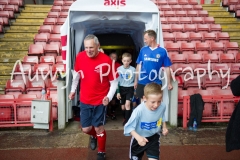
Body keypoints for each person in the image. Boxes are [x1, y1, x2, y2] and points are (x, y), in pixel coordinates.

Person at [68, 34, 118, 160]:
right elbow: (76, 76)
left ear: (98, 45)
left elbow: (114, 82)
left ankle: (101, 151)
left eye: (91, 47)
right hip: (85, 99)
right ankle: (94, 135)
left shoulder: (107, 61)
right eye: (86, 47)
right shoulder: (80, 57)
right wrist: (73, 90)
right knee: (85, 129)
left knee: (99, 127)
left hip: (100, 101)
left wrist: (108, 96)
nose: (88, 50)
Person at [124, 82, 168, 160]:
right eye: (153, 102)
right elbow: (128, 127)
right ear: (145, 98)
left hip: (153, 138)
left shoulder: (162, 106)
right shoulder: (138, 111)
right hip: (138, 138)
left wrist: (164, 127)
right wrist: (138, 138)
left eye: (159, 101)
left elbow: (162, 115)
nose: (156, 105)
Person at [134, 29, 173, 101]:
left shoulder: (162, 51)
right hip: (143, 81)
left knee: (156, 102)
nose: (144, 41)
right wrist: (136, 80)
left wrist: (169, 83)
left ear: (152, 38)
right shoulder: (143, 50)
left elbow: (167, 67)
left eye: (146, 39)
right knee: (143, 102)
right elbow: (138, 65)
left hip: (156, 82)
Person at [116, 52, 135, 125]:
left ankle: (127, 121)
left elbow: (135, 80)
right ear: (122, 60)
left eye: (128, 61)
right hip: (121, 88)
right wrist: (118, 92)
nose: (126, 62)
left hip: (130, 88)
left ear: (130, 61)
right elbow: (117, 82)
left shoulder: (133, 69)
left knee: (127, 105)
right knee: (123, 107)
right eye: (124, 61)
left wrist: (135, 90)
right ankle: (125, 117)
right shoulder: (119, 69)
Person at [107, 52, 121, 120]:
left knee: (113, 101)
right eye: (111, 56)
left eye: (114, 57)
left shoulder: (118, 65)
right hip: (106, 85)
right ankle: (106, 113)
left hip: (115, 84)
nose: (113, 58)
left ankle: (112, 112)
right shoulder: (105, 64)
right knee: (106, 99)